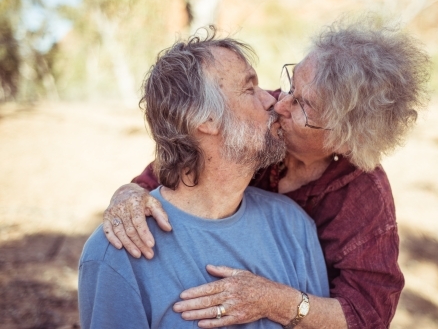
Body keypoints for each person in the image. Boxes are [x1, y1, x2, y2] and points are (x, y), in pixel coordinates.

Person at [102, 17, 430, 328]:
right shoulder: (261, 124)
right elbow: (182, 157)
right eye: (291, 86)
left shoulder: (363, 195)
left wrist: (273, 301)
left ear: (345, 139)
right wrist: (129, 192)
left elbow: (368, 315)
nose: (280, 103)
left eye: (304, 105)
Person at [78, 30, 331, 328]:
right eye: (250, 89)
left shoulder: (294, 227)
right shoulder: (118, 253)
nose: (273, 101)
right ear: (205, 119)